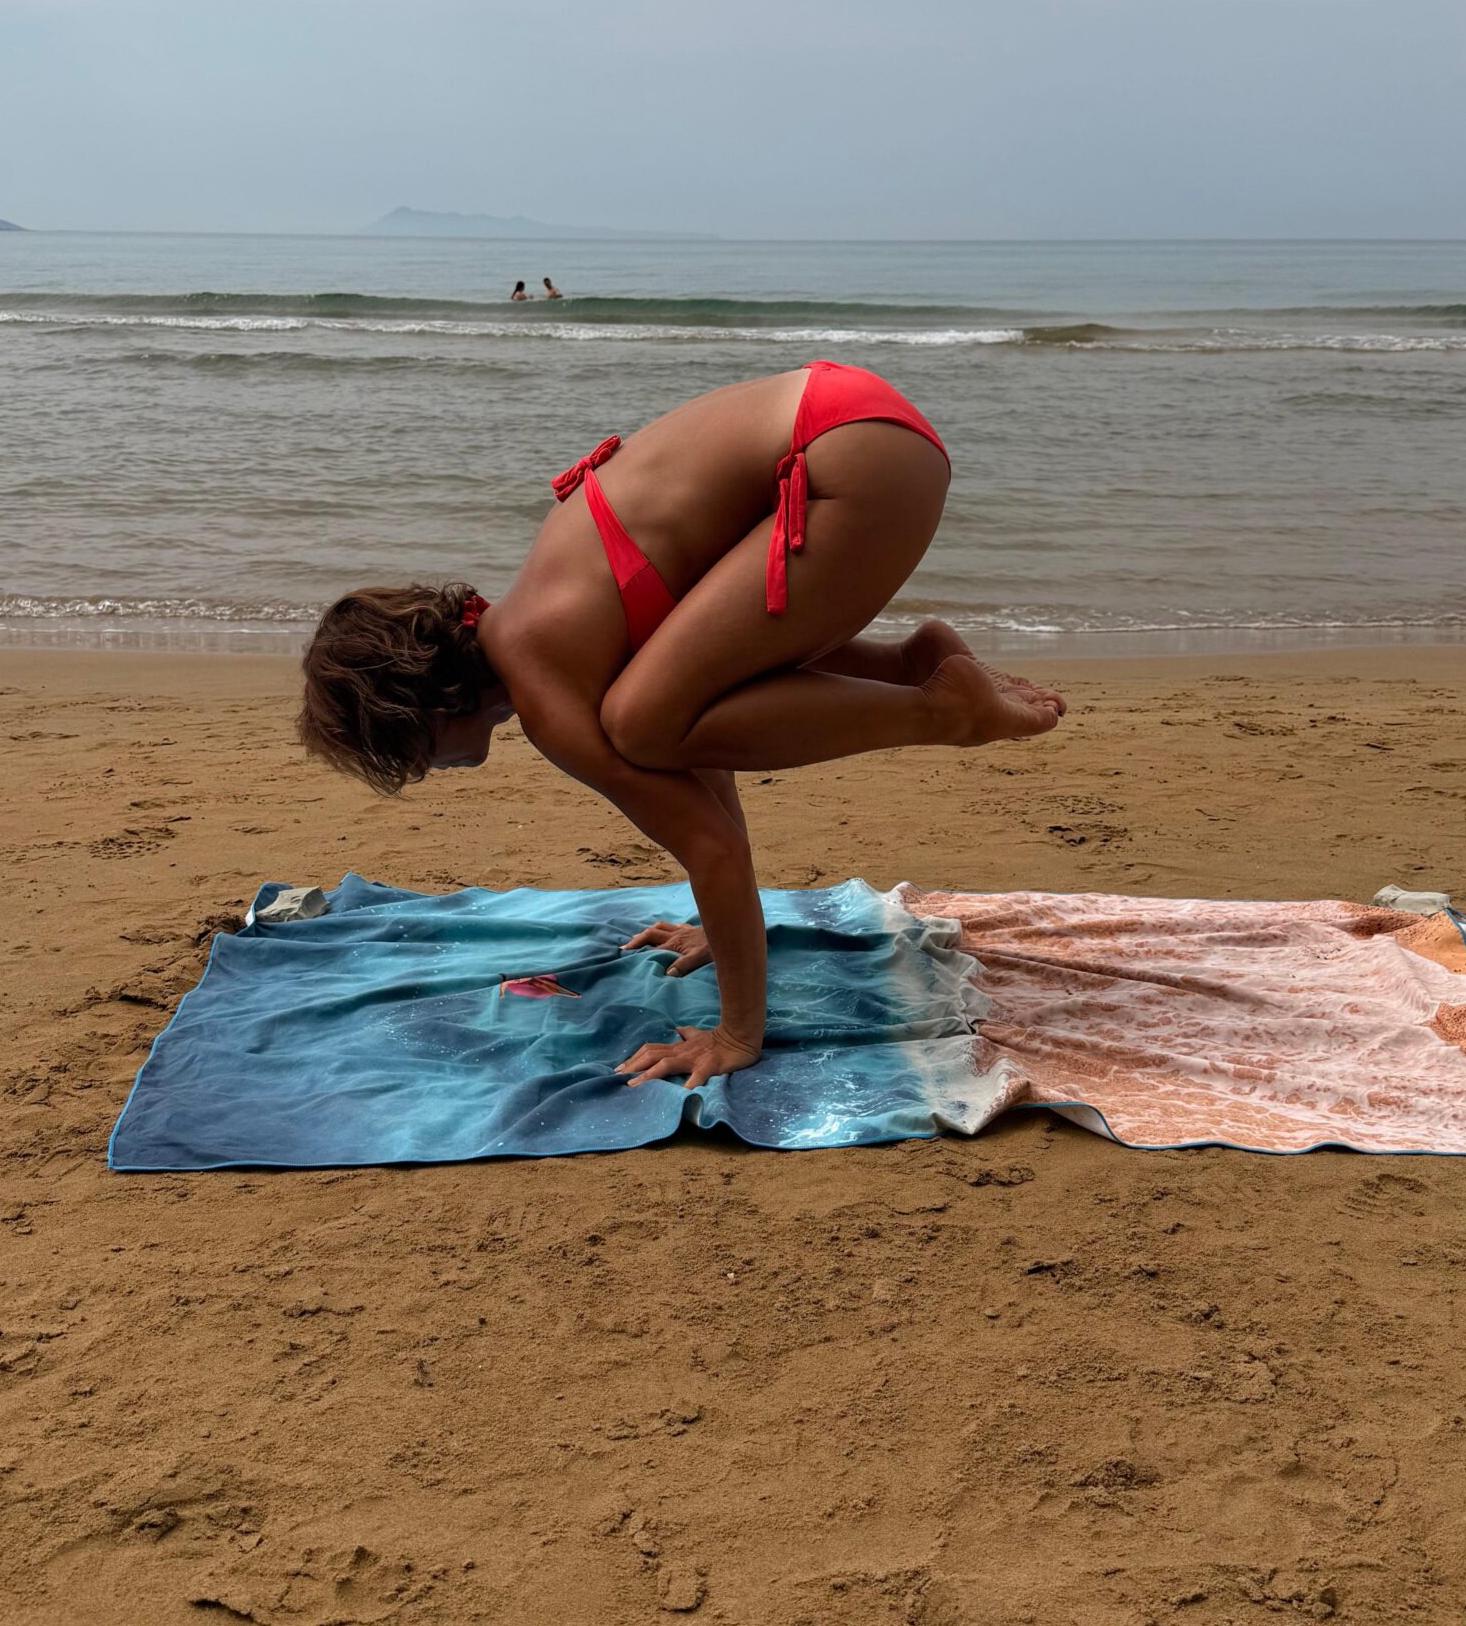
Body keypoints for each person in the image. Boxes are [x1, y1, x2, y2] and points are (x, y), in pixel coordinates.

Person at [299, 364, 1061, 1088]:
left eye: (408, 755)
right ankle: (908, 667)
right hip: (859, 426)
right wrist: (723, 932)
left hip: (850, 468)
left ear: (425, 710)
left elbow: (710, 844)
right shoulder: (547, 613)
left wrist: (737, 1034)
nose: (424, 772)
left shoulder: (548, 694)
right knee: (658, 714)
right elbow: (707, 768)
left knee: (640, 722)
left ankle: (942, 707)